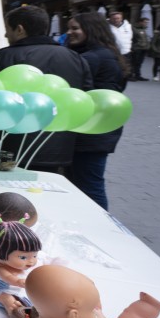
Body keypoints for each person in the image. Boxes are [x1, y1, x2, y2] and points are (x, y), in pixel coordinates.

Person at [0, 5, 93, 172]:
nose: (5, 35)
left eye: (7, 29)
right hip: (57, 151)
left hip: (11, 151)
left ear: (19, 29)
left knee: (8, 193)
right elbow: (85, 97)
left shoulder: (5, 57)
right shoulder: (74, 57)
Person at [65, 11, 129, 210]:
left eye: (75, 28)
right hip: (99, 130)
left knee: (89, 185)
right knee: (86, 183)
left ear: (91, 30)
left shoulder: (92, 57)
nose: (69, 32)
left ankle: (103, 229)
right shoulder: (108, 53)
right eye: (69, 28)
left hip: (89, 133)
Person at [0, 218, 41, 318]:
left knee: (37, 300)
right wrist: (20, 282)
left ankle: (36, 312)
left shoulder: (24, 265)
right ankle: (16, 313)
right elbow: (12, 280)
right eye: (23, 257)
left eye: (35, 255)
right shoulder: (1, 269)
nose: (31, 261)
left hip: (20, 290)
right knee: (9, 300)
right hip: (0, 290)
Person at [130, 16, 150, 81]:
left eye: (147, 22)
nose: (146, 24)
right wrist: (133, 47)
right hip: (137, 48)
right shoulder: (134, 28)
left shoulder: (143, 29)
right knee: (134, 62)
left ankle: (138, 75)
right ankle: (131, 75)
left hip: (143, 48)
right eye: (145, 22)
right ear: (140, 22)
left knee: (139, 63)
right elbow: (131, 38)